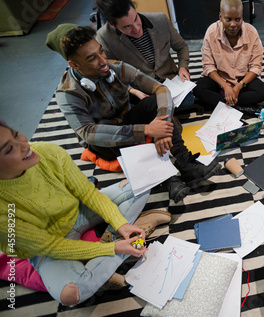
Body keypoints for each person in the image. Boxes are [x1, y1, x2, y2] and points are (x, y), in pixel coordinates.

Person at [0, 121, 172, 305]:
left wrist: (120, 224)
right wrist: (112, 248)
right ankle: (128, 244)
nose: (25, 143)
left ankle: (117, 251)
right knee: (70, 295)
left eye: (16, 134)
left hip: (79, 211)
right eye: (10, 149)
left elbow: (88, 192)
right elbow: (51, 246)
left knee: (140, 185)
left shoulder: (47, 152)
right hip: (49, 249)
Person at [46, 24, 220, 203]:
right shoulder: (68, 94)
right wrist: (146, 130)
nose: (103, 61)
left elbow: (160, 89)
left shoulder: (115, 67)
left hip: (127, 121)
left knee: (153, 103)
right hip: (105, 142)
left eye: (101, 51)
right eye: (92, 59)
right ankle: (168, 180)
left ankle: (186, 164)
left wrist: (162, 127)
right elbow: (88, 133)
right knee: (111, 129)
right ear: (74, 65)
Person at [92, 0, 194, 109]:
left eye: (136, 19)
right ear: (112, 25)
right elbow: (110, 72)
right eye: (127, 26)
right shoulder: (104, 37)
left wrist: (183, 67)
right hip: (140, 87)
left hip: (169, 81)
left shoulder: (160, 20)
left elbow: (181, 46)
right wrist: (132, 91)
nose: (136, 29)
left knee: (188, 102)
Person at [193, 0, 264, 112]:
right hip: (219, 79)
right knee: (198, 88)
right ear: (220, 17)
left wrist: (238, 86)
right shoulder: (211, 32)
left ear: (242, 18)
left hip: (243, 80)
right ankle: (238, 105)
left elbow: (255, 67)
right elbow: (208, 66)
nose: (233, 24)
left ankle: (223, 103)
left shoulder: (252, 33)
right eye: (228, 19)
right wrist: (225, 86)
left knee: (263, 92)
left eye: (237, 19)